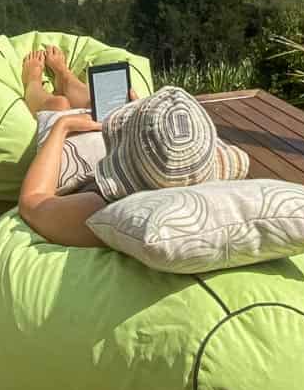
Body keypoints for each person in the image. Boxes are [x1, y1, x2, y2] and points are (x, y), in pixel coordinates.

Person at [17, 47, 245, 246]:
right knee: (94, 104)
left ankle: (34, 82)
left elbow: (32, 202)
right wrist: (141, 113)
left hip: (76, 148)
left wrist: (63, 126)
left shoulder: (102, 212)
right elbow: (182, 147)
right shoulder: (196, 169)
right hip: (143, 156)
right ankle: (64, 77)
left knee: (59, 104)